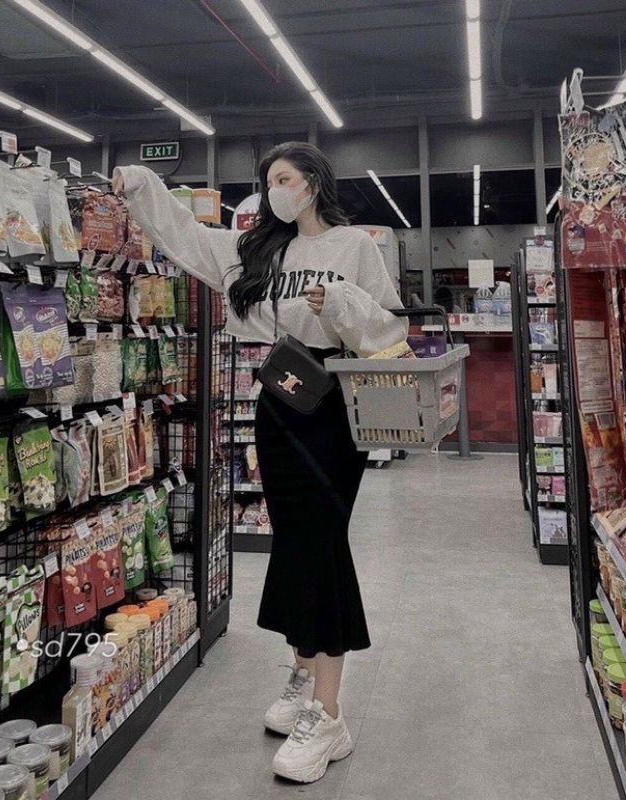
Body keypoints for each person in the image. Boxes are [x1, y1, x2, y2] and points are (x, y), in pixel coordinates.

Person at [113, 141, 407, 784]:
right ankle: (303, 674)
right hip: (278, 405)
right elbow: (186, 236)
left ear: (313, 182)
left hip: (334, 409)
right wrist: (140, 183)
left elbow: (390, 332)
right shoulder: (257, 250)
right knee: (295, 543)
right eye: (269, 179)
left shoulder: (354, 246)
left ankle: (329, 716)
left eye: (284, 177)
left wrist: (343, 306)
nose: (276, 188)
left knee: (321, 544)